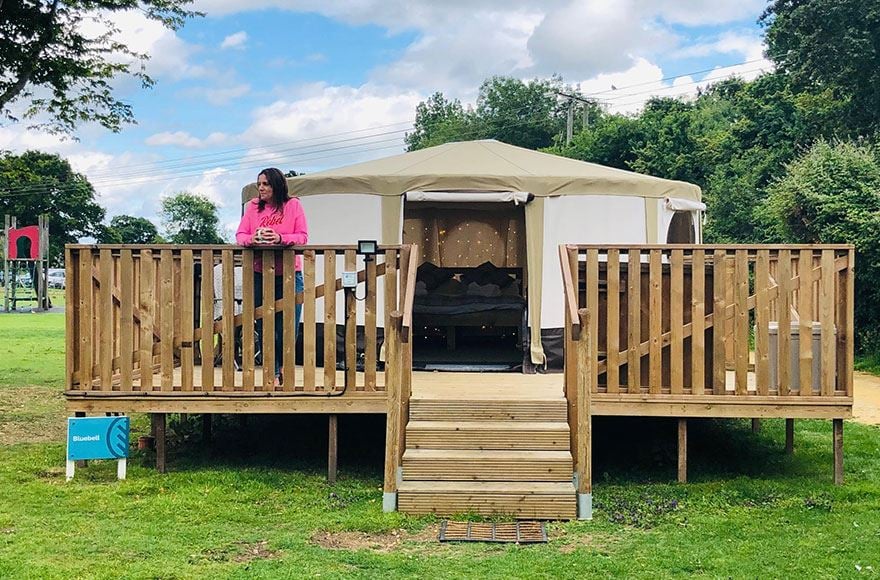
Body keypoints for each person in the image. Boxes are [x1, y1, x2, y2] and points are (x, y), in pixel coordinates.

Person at [236, 167, 308, 385]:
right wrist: (254, 239)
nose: (261, 188)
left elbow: (303, 237)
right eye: (259, 184)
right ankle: (273, 373)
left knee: (288, 325)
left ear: (277, 185)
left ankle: (285, 367)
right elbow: (240, 235)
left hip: (289, 273)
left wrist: (279, 237)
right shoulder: (253, 207)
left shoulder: (293, 205)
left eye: (265, 184)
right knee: (264, 324)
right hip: (260, 273)